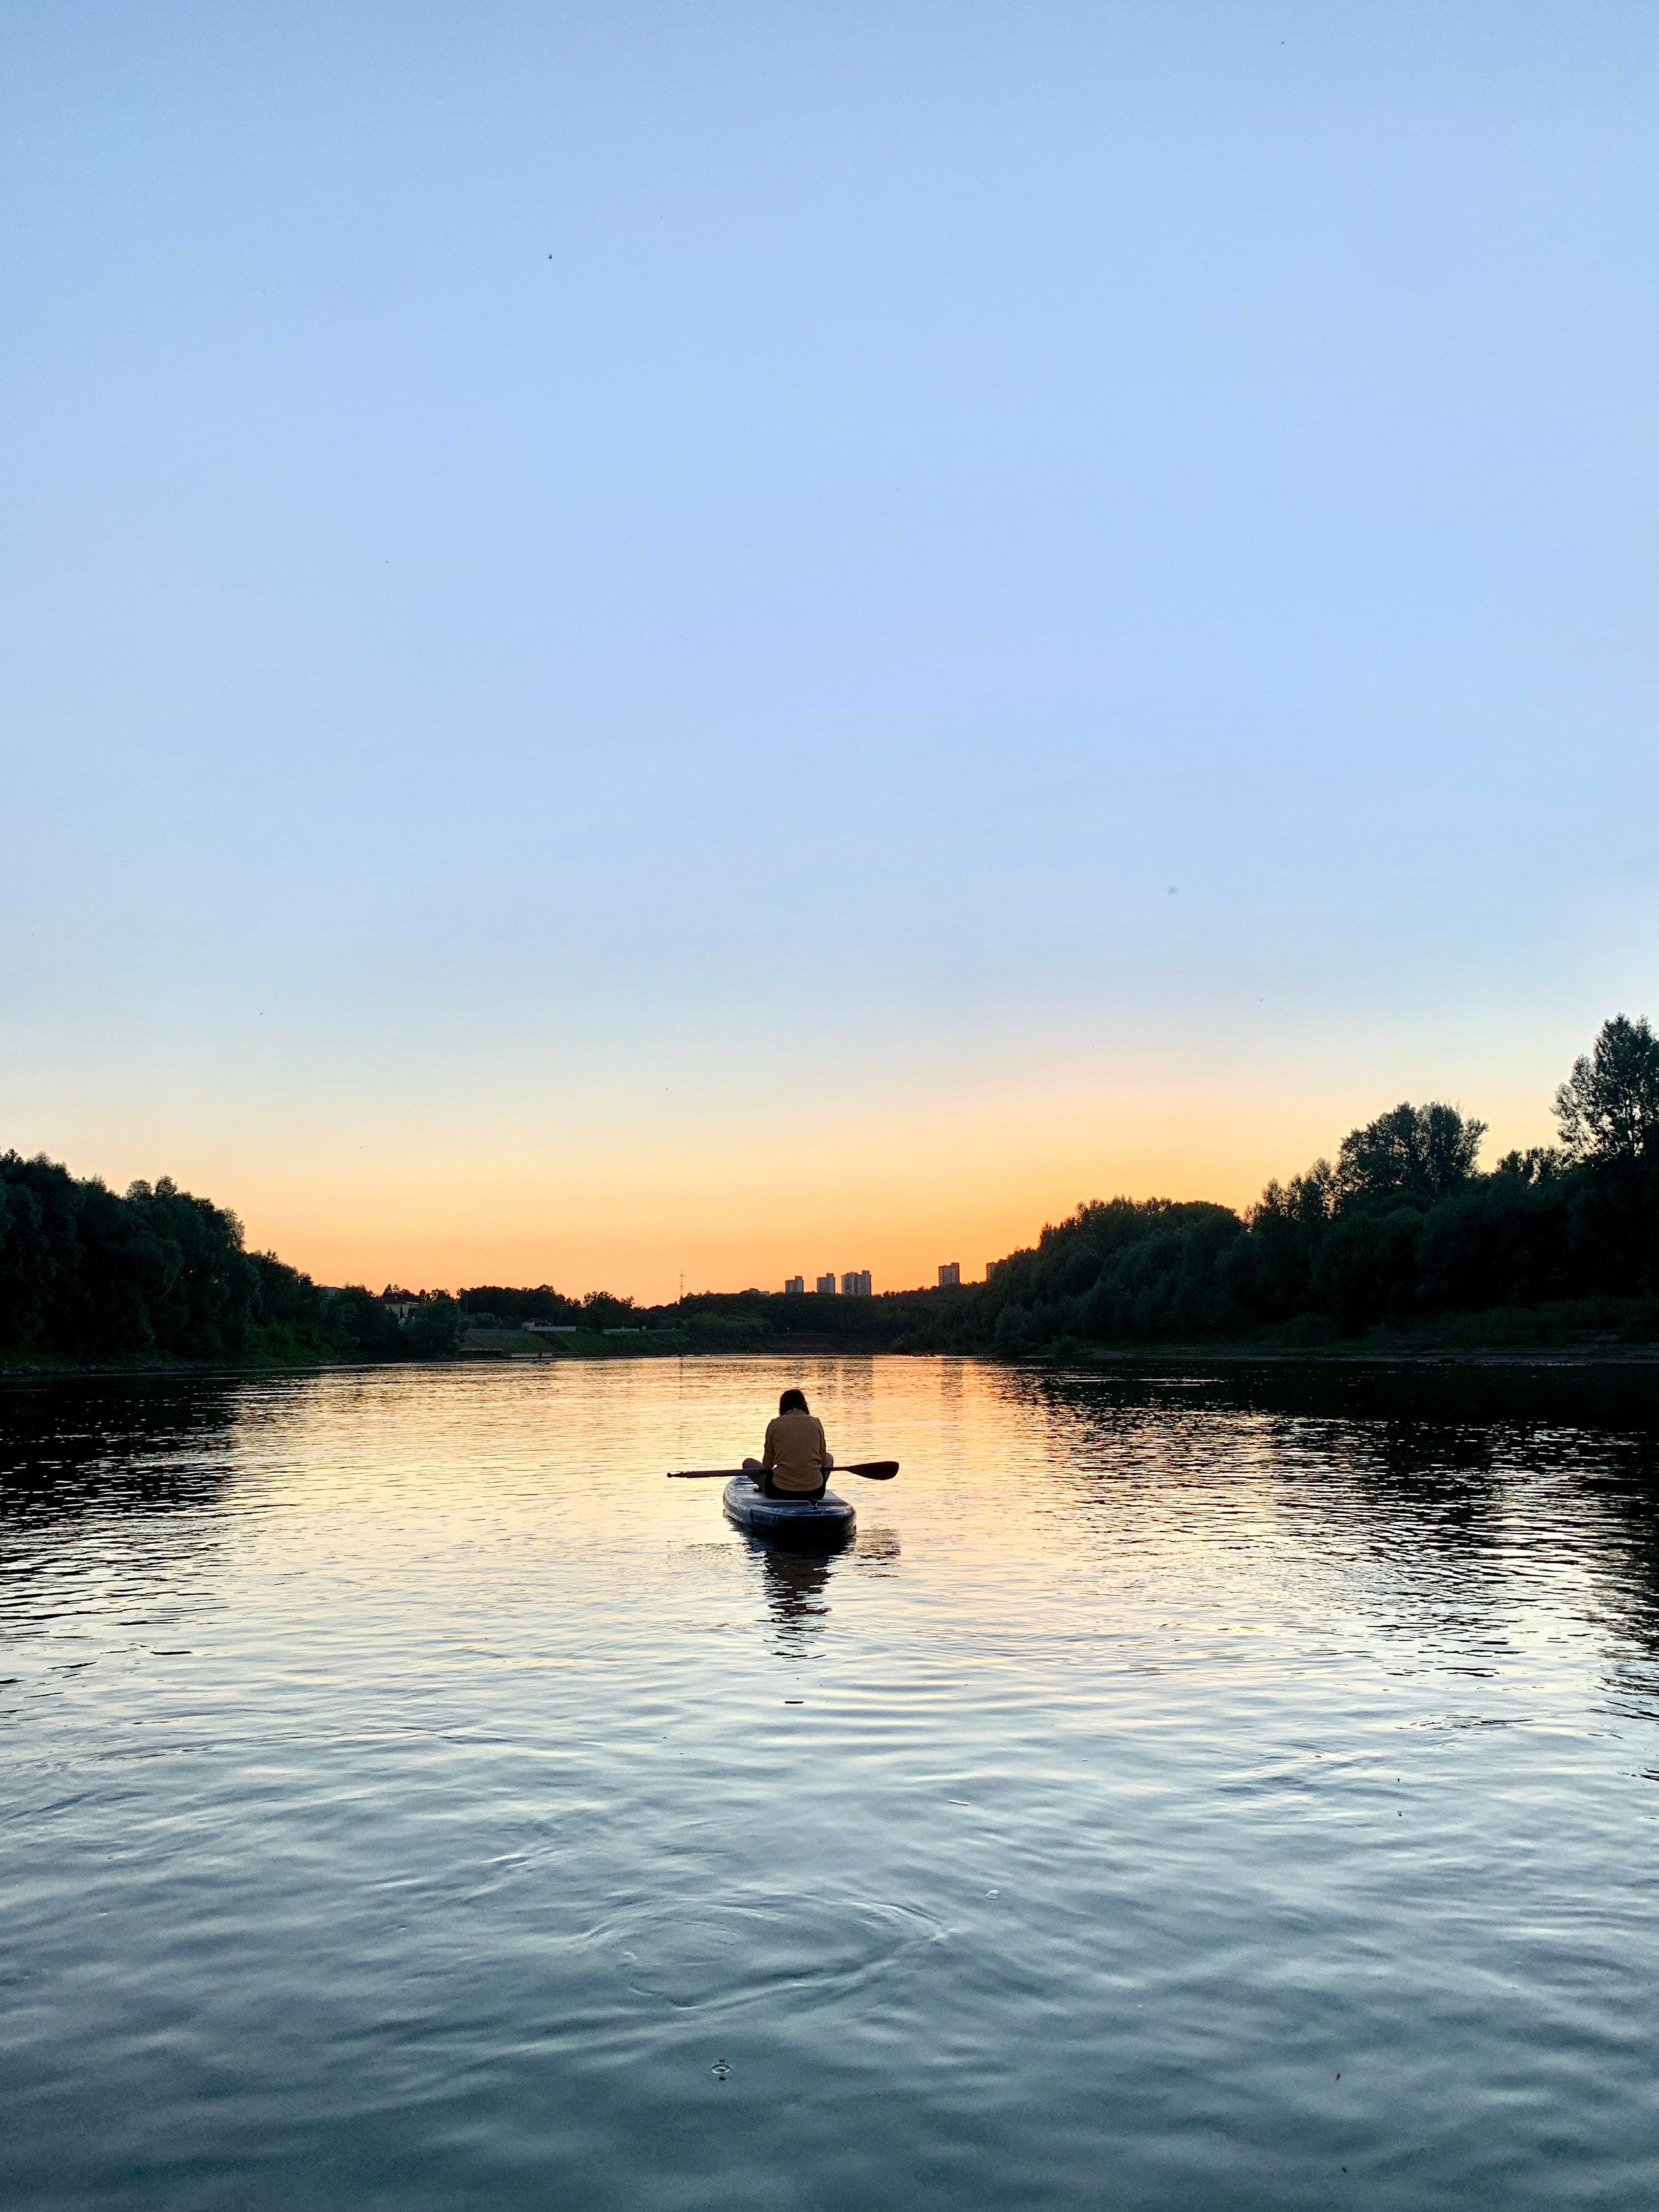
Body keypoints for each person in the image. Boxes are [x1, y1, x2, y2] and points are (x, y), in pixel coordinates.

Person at [743, 1388, 833, 1500]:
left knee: (748, 1463)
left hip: (780, 1491)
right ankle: (812, 1484)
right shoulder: (816, 1423)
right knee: (830, 1458)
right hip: (816, 1491)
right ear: (804, 1405)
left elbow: (767, 1465)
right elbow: (824, 1461)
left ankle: (764, 1487)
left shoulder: (774, 1424)